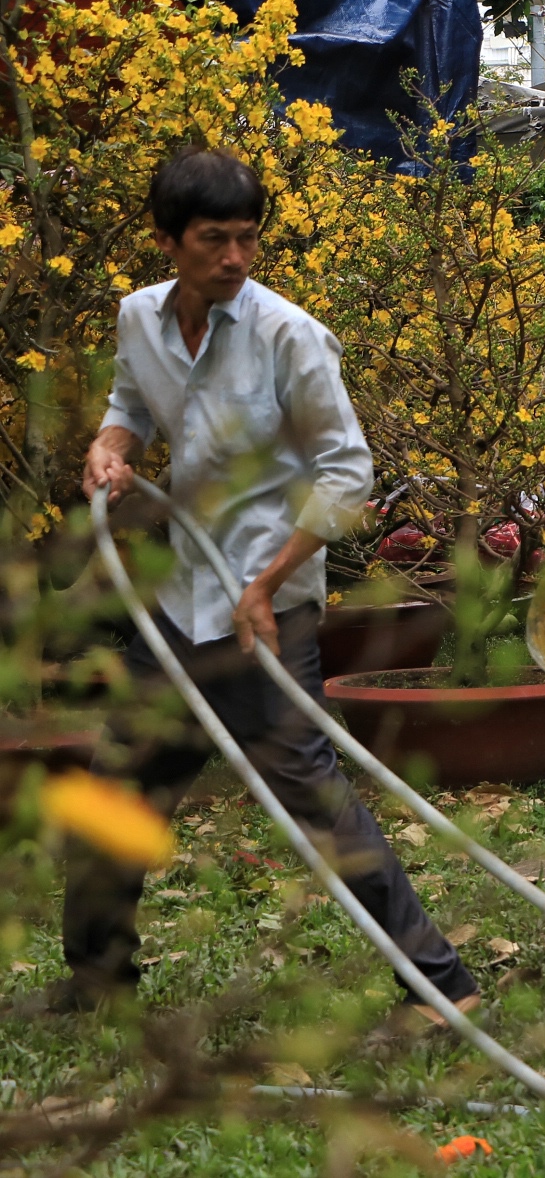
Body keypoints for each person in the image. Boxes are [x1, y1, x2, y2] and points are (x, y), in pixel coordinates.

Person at [60, 149, 478, 1026]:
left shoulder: (290, 334)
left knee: (317, 804)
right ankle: (99, 980)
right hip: (180, 610)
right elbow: (131, 404)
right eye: (215, 240)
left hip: (264, 611)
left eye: (248, 239)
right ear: (168, 240)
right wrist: (113, 446)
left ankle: (441, 989)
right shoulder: (140, 318)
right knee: (115, 792)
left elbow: (346, 470)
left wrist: (272, 580)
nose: (236, 258)